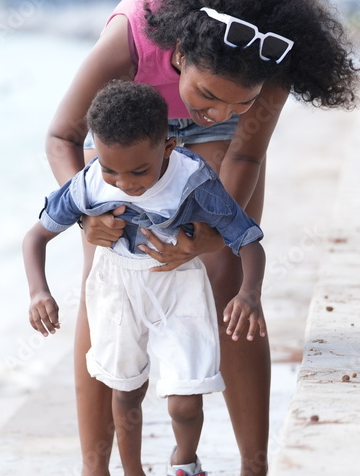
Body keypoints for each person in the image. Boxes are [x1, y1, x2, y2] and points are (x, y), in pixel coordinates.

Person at [44, 0, 360, 476]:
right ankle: (94, 467)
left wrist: (209, 235)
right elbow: (62, 135)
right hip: (133, 136)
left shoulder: (269, 62)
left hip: (222, 144)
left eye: (240, 99)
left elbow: (245, 149)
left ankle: (253, 463)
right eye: (208, 93)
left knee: (224, 270)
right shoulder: (132, 38)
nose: (221, 107)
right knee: (103, 271)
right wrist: (86, 216)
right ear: (179, 55)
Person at [24, 80, 267, 476]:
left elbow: (247, 239)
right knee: (126, 389)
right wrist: (38, 292)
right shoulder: (88, 182)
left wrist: (249, 294)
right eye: (111, 170)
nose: (126, 183)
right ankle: (133, 470)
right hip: (116, 286)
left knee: (186, 400)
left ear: (168, 148)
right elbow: (36, 237)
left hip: (178, 286)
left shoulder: (194, 181)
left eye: (139, 170)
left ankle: (185, 460)